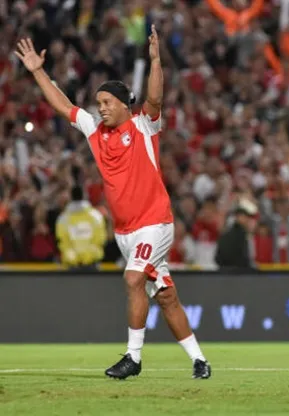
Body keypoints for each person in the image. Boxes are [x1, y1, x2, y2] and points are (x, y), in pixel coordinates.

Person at [14, 28, 211, 380]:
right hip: (125, 232)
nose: (101, 108)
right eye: (99, 104)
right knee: (165, 296)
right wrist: (37, 71)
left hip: (155, 222)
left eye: (107, 103)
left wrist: (155, 61)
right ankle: (199, 360)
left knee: (133, 277)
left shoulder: (144, 127)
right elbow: (63, 106)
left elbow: (156, 98)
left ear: (124, 104)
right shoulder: (94, 132)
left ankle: (133, 359)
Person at [56, 186, 107, 270]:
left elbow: (62, 242)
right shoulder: (96, 216)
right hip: (92, 263)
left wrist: (73, 257)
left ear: (71, 197)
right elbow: (101, 239)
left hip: (72, 265)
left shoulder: (63, 219)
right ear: (84, 196)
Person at [215, 198, 258, 269]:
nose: (248, 220)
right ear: (238, 217)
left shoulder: (227, 234)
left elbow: (217, 259)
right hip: (238, 275)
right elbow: (244, 260)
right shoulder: (239, 235)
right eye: (246, 217)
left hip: (225, 275)